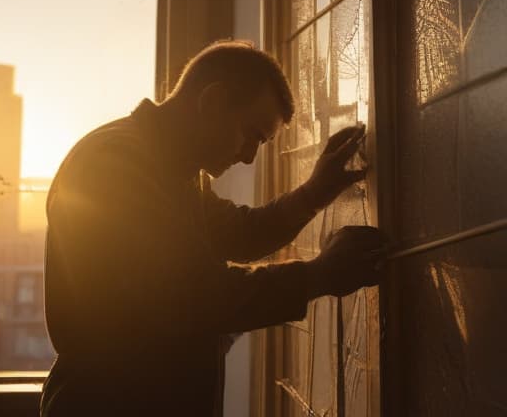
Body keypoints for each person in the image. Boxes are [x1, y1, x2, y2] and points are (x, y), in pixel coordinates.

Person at [40, 40, 386, 416]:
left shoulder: (169, 170)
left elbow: (239, 234)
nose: (249, 156)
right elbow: (189, 296)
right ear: (213, 101)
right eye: (251, 134)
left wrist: (315, 192)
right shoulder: (115, 164)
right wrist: (319, 275)